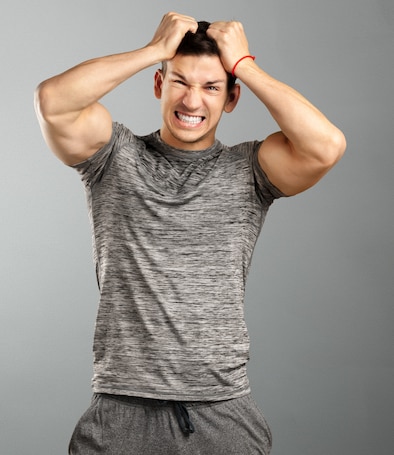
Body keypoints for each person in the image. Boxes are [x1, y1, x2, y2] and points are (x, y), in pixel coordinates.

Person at [34, 12, 345, 455]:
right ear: (159, 85)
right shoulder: (114, 156)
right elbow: (53, 101)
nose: (192, 101)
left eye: (211, 87)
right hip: (121, 408)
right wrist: (154, 51)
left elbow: (326, 145)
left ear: (231, 97)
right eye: (179, 81)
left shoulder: (250, 170)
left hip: (222, 412)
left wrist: (245, 65)